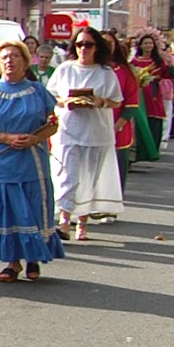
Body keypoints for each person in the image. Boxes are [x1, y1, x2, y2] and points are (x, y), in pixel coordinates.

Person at [0, 41, 64, 282]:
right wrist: (6, 138)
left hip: (30, 160)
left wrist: (34, 138)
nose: (9, 61)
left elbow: (52, 123)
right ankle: (13, 262)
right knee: (6, 210)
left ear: (25, 61)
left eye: (14, 56)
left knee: (31, 208)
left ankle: (33, 257)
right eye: (4, 57)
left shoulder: (37, 91)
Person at [47, 27, 123, 240]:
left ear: (96, 47)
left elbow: (116, 100)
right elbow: (52, 96)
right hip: (68, 130)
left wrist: (99, 102)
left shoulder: (106, 73)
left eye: (88, 45)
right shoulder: (65, 69)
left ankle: (82, 221)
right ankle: (64, 221)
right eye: (79, 44)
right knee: (67, 175)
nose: (83, 49)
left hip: (96, 133)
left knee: (88, 178)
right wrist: (66, 102)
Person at [103, 29, 141, 198]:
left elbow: (132, 102)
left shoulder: (124, 71)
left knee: (117, 167)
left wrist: (118, 125)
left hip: (118, 128)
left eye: (109, 43)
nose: (106, 47)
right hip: (92, 127)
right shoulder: (88, 69)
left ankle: (113, 202)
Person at [132, 33, 174, 152]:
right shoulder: (134, 61)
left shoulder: (158, 61)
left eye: (150, 43)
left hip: (154, 92)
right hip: (140, 92)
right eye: (145, 43)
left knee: (154, 118)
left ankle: (153, 148)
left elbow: (169, 75)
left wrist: (169, 64)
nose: (148, 45)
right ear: (140, 46)